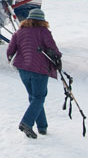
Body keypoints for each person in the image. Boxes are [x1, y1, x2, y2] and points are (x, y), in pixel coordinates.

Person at [6, 7, 61, 138]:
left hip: (23, 69)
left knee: (34, 97)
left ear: (28, 19)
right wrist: (57, 58)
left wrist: (12, 60)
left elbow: (10, 51)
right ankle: (26, 123)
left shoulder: (19, 32)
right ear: (43, 21)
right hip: (39, 69)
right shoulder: (44, 32)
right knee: (39, 97)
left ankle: (42, 127)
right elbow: (53, 49)